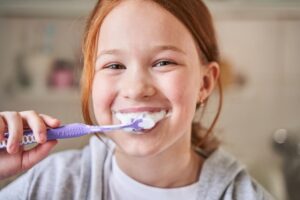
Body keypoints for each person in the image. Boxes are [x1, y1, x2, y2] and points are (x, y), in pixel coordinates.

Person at [0, 0, 274, 199]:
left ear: (205, 83)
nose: (136, 88)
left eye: (164, 62)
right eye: (114, 66)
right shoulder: (51, 183)